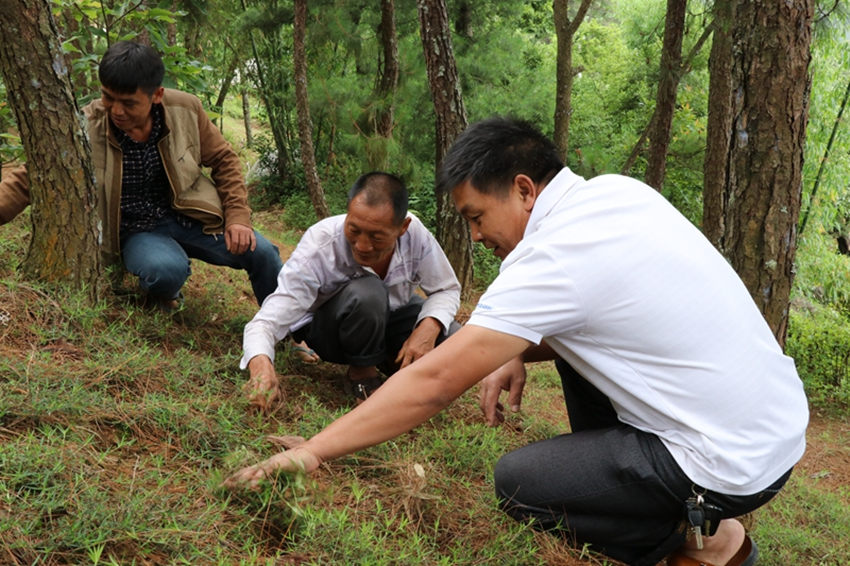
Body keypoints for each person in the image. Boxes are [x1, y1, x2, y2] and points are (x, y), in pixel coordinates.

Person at [224, 118, 808, 566]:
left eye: (477, 217)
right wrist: (518, 348)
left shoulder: (554, 254)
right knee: (576, 363)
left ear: (524, 190)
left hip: (723, 462)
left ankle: (702, 540)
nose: (475, 236)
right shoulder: (616, 195)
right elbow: (613, 319)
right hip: (773, 430)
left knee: (521, 484)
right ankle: (689, 512)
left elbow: (433, 381)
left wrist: (313, 450)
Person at [0, 41, 282, 310]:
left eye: (129, 102)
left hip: (194, 217)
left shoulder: (186, 109)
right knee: (165, 271)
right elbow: (32, 177)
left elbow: (224, 159)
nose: (116, 110)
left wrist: (237, 217)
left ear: (156, 95)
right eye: (108, 97)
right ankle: (165, 291)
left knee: (265, 254)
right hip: (138, 232)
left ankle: (293, 331)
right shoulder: (85, 127)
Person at [240, 171, 461, 410]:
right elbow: (265, 322)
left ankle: (390, 361)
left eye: (377, 237)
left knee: (455, 336)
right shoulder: (321, 244)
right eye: (354, 230)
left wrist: (427, 329)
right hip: (330, 333)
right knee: (368, 292)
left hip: (388, 319)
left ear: (402, 227)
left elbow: (446, 289)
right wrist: (260, 365)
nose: (363, 246)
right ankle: (362, 374)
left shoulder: (416, 235)